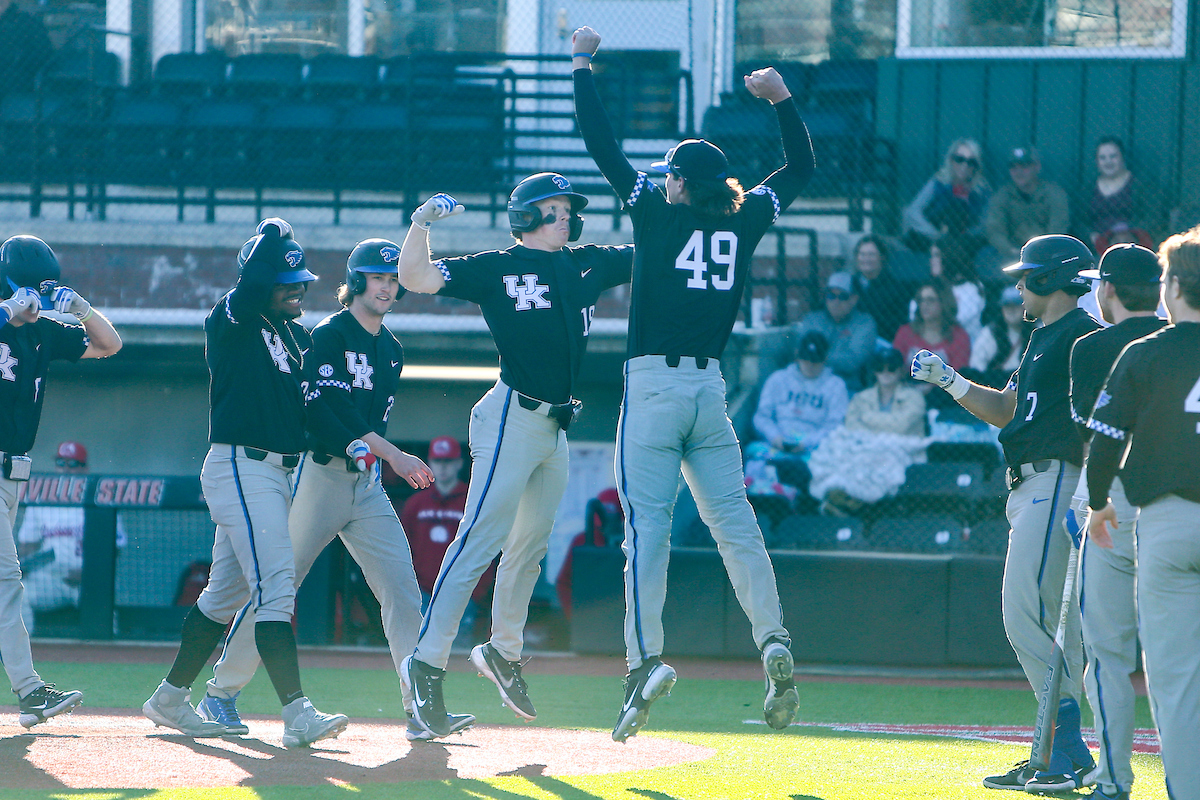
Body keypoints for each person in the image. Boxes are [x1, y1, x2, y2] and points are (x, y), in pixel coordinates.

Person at [572, 25, 815, 741]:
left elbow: (601, 146)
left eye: (670, 172)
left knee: (646, 532)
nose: (663, 178)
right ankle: (773, 638)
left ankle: (645, 662)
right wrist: (781, 100)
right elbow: (799, 167)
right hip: (711, 392)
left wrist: (584, 65)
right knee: (736, 527)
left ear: (680, 182)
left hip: (652, 390)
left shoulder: (654, 211)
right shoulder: (742, 222)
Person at [190, 238, 466, 743]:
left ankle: (420, 705)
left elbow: (362, 417)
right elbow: (324, 412)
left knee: (403, 590)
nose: (386, 286)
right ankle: (221, 693)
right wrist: (393, 454)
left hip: (366, 482)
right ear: (355, 281)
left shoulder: (392, 349)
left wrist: (380, 457)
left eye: (392, 279)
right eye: (377, 277)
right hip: (318, 477)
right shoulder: (328, 334)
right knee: (278, 588)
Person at [396, 175, 633, 738]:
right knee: (479, 539)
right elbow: (417, 277)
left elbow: (656, 251)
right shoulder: (498, 266)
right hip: (511, 415)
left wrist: (676, 205)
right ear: (524, 217)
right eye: (552, 211)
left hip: (555, 425)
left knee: (529, 548)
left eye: (568, 211)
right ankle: (425, 666)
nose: (564, 219)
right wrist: (420, 224)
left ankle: (503, 652)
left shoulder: (588, 262)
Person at [142, 219, 348, 748]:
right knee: (277, 585)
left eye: (300, 278)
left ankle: (169, 698)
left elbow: (315, 406)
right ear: (261, 280)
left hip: (278, 471)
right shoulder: (232, 318)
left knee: (224, 595)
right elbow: (251, 282)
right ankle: (296, 712)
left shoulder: (296, 335)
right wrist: (271, 242)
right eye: (286, 279)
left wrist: (355, 440)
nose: (298, 287)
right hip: (240, 464)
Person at [910, 234, 1101, 792]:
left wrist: (1087, 492)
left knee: (1025, 617)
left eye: (1027, 276)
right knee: (1046, 624)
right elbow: (1008, 410)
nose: (1018, 285)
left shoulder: (1083, 337)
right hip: (1030, 485)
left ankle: (1064, 749)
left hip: (1059, 481)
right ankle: (1058, 751)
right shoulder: (1043, 336)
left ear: (1050, 280)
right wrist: (951, 381)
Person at [1085, 228, 1200, 800]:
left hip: (1167, 521)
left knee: (1174, 683)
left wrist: (1099, 501)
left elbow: (1105, 438)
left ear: (1174, 286)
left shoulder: (1145, 351)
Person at [0, 235, 120, 728]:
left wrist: (84, 310)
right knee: (7, 580)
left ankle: (29, 692)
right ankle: (30, 691)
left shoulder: (46, 331)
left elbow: (109, 344)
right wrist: (6, 311)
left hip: (14, 475)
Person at [1065, 244, 1166, 800]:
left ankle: (1113, 778)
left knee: (1107, 653)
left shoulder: (1091, 345)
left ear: (1107, 290)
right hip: (1177, 499)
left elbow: (1089, 429)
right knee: (1174, 655)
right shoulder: (1179, 342)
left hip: (1108, 498)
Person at [400, 435, 497, 650]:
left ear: (459, 463)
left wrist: (477, 591)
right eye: (438, 461)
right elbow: (402, 550)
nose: (443, 468)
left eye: (448, 462)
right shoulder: (416, 503)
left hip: (461, 591)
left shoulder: (473, 501)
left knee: (458, 653)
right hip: (423, 592)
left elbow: (484, 549)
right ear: (430, 463)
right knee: (420, 650)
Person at [16, 441, 128, 625]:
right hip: (52, 579)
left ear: (85, 468)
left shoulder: (100, 498)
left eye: (73, 464)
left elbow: (115, 548)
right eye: (61, 463)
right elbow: (28, 544)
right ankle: (26, 651)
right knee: (17, 596)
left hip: (89, 580)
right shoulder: (41, 499)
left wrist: (90, 572)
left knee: (105, 623)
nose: (66, 469)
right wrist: (23, 565)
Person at [808, 347, 927, 517]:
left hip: (899, 448)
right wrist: (883, 425)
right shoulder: (861, 397)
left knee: (883, 460)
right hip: (863, 447)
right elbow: (851, 427)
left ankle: (852, 503)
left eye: (891, 368)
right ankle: (846, 501)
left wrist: (868, 418)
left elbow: (901, 425)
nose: (885, 372)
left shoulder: (914, 397)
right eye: (880, 367)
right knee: (842, 454)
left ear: (900, 371)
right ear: (874, 371)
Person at [982, 146, 1070, 285]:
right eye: (1013, 167)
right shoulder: (1002, 196)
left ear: (1037, 167)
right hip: (1011, 254)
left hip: (1046, 255)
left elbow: (1057, 231)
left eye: (1024, 166)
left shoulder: (1054, 194)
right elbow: (994, 230)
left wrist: (1038, 253)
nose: (1019, 172)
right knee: (985, 259)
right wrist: (1011, 250)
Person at [901, 137, 990, 254]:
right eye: (960, 159)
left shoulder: (981, 189)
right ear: (951, 160)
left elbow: (985, 223)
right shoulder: (939, 182)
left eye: (971, 162)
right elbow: (912, 212)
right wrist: (936, 235)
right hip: (933, 238)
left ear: (976, 166)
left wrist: (965, 237)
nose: (965, 165)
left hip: (964, 242)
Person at [795, 271, 878, 391]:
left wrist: (816, 358)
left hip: (846, 387)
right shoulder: (812, 319)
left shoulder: (865, 323)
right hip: (808, 384)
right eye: (831, 296)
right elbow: (799, 353)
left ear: (854, 299)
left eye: (843, 296)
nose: (836, 302)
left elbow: (852, 362)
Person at [1085, 137, 1158, 253]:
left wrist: (1133, 235)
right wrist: (1092, 236)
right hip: (1097, 246)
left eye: (1113, 156)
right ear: (1097, 161)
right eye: (1102, 158)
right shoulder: (1088, 188)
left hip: (1134, 244)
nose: (1108, 161)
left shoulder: (1141, 185)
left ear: (1122, 158)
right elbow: (1080, 220)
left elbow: (1153, 216)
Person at [892, 281, 971, 371]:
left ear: (944, 302)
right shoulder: (905, 332)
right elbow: (894, 368)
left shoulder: (959, 337)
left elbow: (958, 375)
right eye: (921, 300)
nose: (924, 305)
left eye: (931, 300)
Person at [969, 286, 1034, 387]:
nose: (1011, 310)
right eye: (1007, 306)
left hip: (1027, 381)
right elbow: (977, 367)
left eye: (1016, 305)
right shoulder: (991, 332)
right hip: (996, 384)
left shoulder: (1036, 330)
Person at [849, 235, 910, 343]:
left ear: (882, 257)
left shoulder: (896, 289)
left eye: (871, 254)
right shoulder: (848, 284)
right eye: (862, 254)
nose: (866, 259)